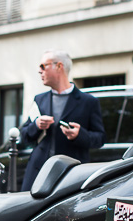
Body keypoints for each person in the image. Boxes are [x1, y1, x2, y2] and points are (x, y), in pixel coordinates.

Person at [19, 49, 106, 191]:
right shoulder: (39, 100)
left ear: (59, 66)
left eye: (43, 66)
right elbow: (24, 135)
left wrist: (79, 135)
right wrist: (36, 125)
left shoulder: (88, 102)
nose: (39, 71)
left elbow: (100, 138)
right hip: (38, 172)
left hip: (70, 175)